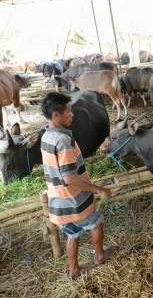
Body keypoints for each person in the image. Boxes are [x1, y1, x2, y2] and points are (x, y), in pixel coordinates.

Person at [40, 92, 117, 279]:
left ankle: (73, 270)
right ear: (56, 115)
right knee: (96, 222)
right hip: (75, 200)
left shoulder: (46, 136)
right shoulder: (63, 140)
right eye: (68, 111)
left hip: (58, 201)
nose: (72, 114)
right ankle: (100, 255)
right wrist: (99, 189)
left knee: (73, 234)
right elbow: (70, 178)